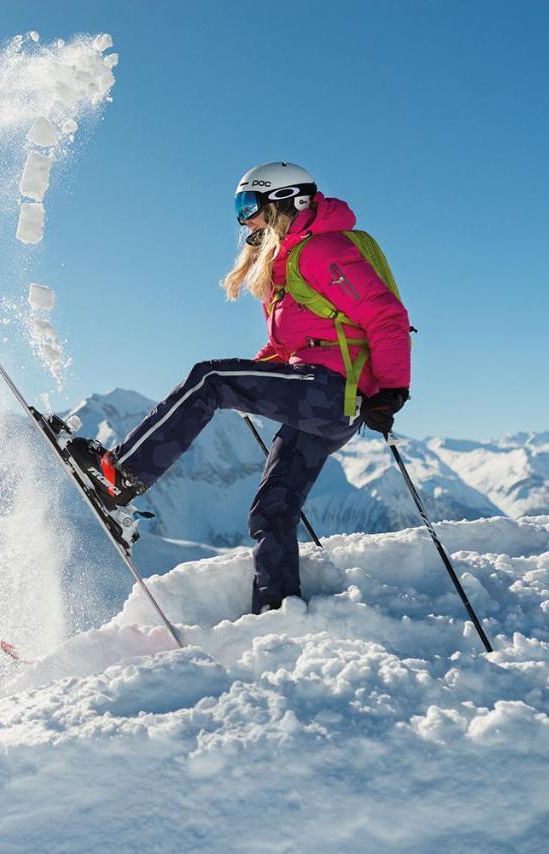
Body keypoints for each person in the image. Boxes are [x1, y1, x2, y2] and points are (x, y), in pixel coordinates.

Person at [68, 162, 412, 614]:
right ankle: (278, 610)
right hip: (321, 401)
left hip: (329, 391)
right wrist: (255, 379)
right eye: (239, 206)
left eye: (250, 204)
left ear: (291, 200)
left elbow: (385, 316)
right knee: (272, 510)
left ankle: (122, 477)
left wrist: (392, 389)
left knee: (209, 379)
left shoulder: (323, 249)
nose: (244, 218)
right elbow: (284, 344)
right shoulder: (288, 262)